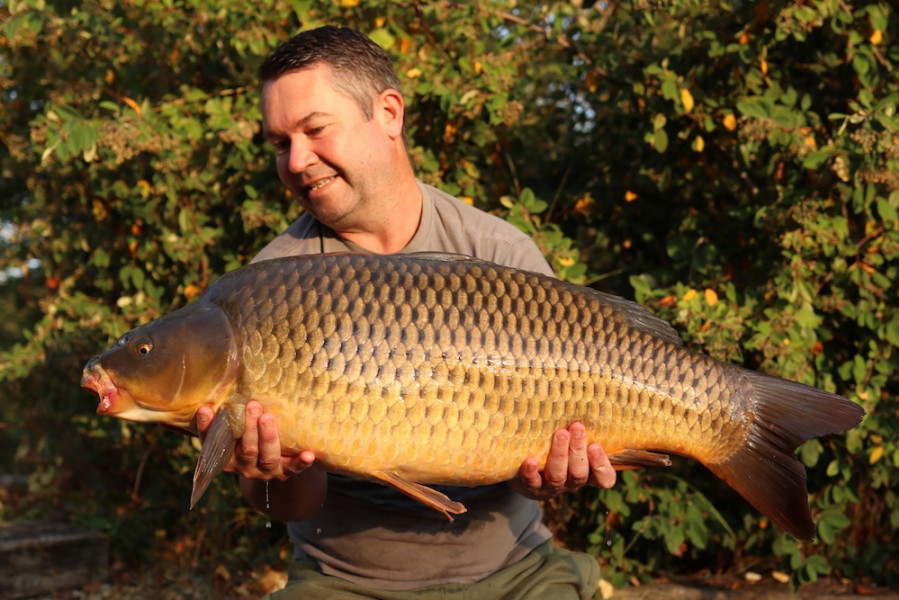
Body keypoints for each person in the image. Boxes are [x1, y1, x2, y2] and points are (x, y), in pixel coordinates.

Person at [196, 25, 617, 599]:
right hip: (345, 583)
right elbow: (291, 506)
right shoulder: (270, 287)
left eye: (315, 130)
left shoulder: (498, 250)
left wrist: (552, 478)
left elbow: (544, 476)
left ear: (389, 113)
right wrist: (270, 473)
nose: (296, 160)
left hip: (514, 571)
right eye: (279, 143)